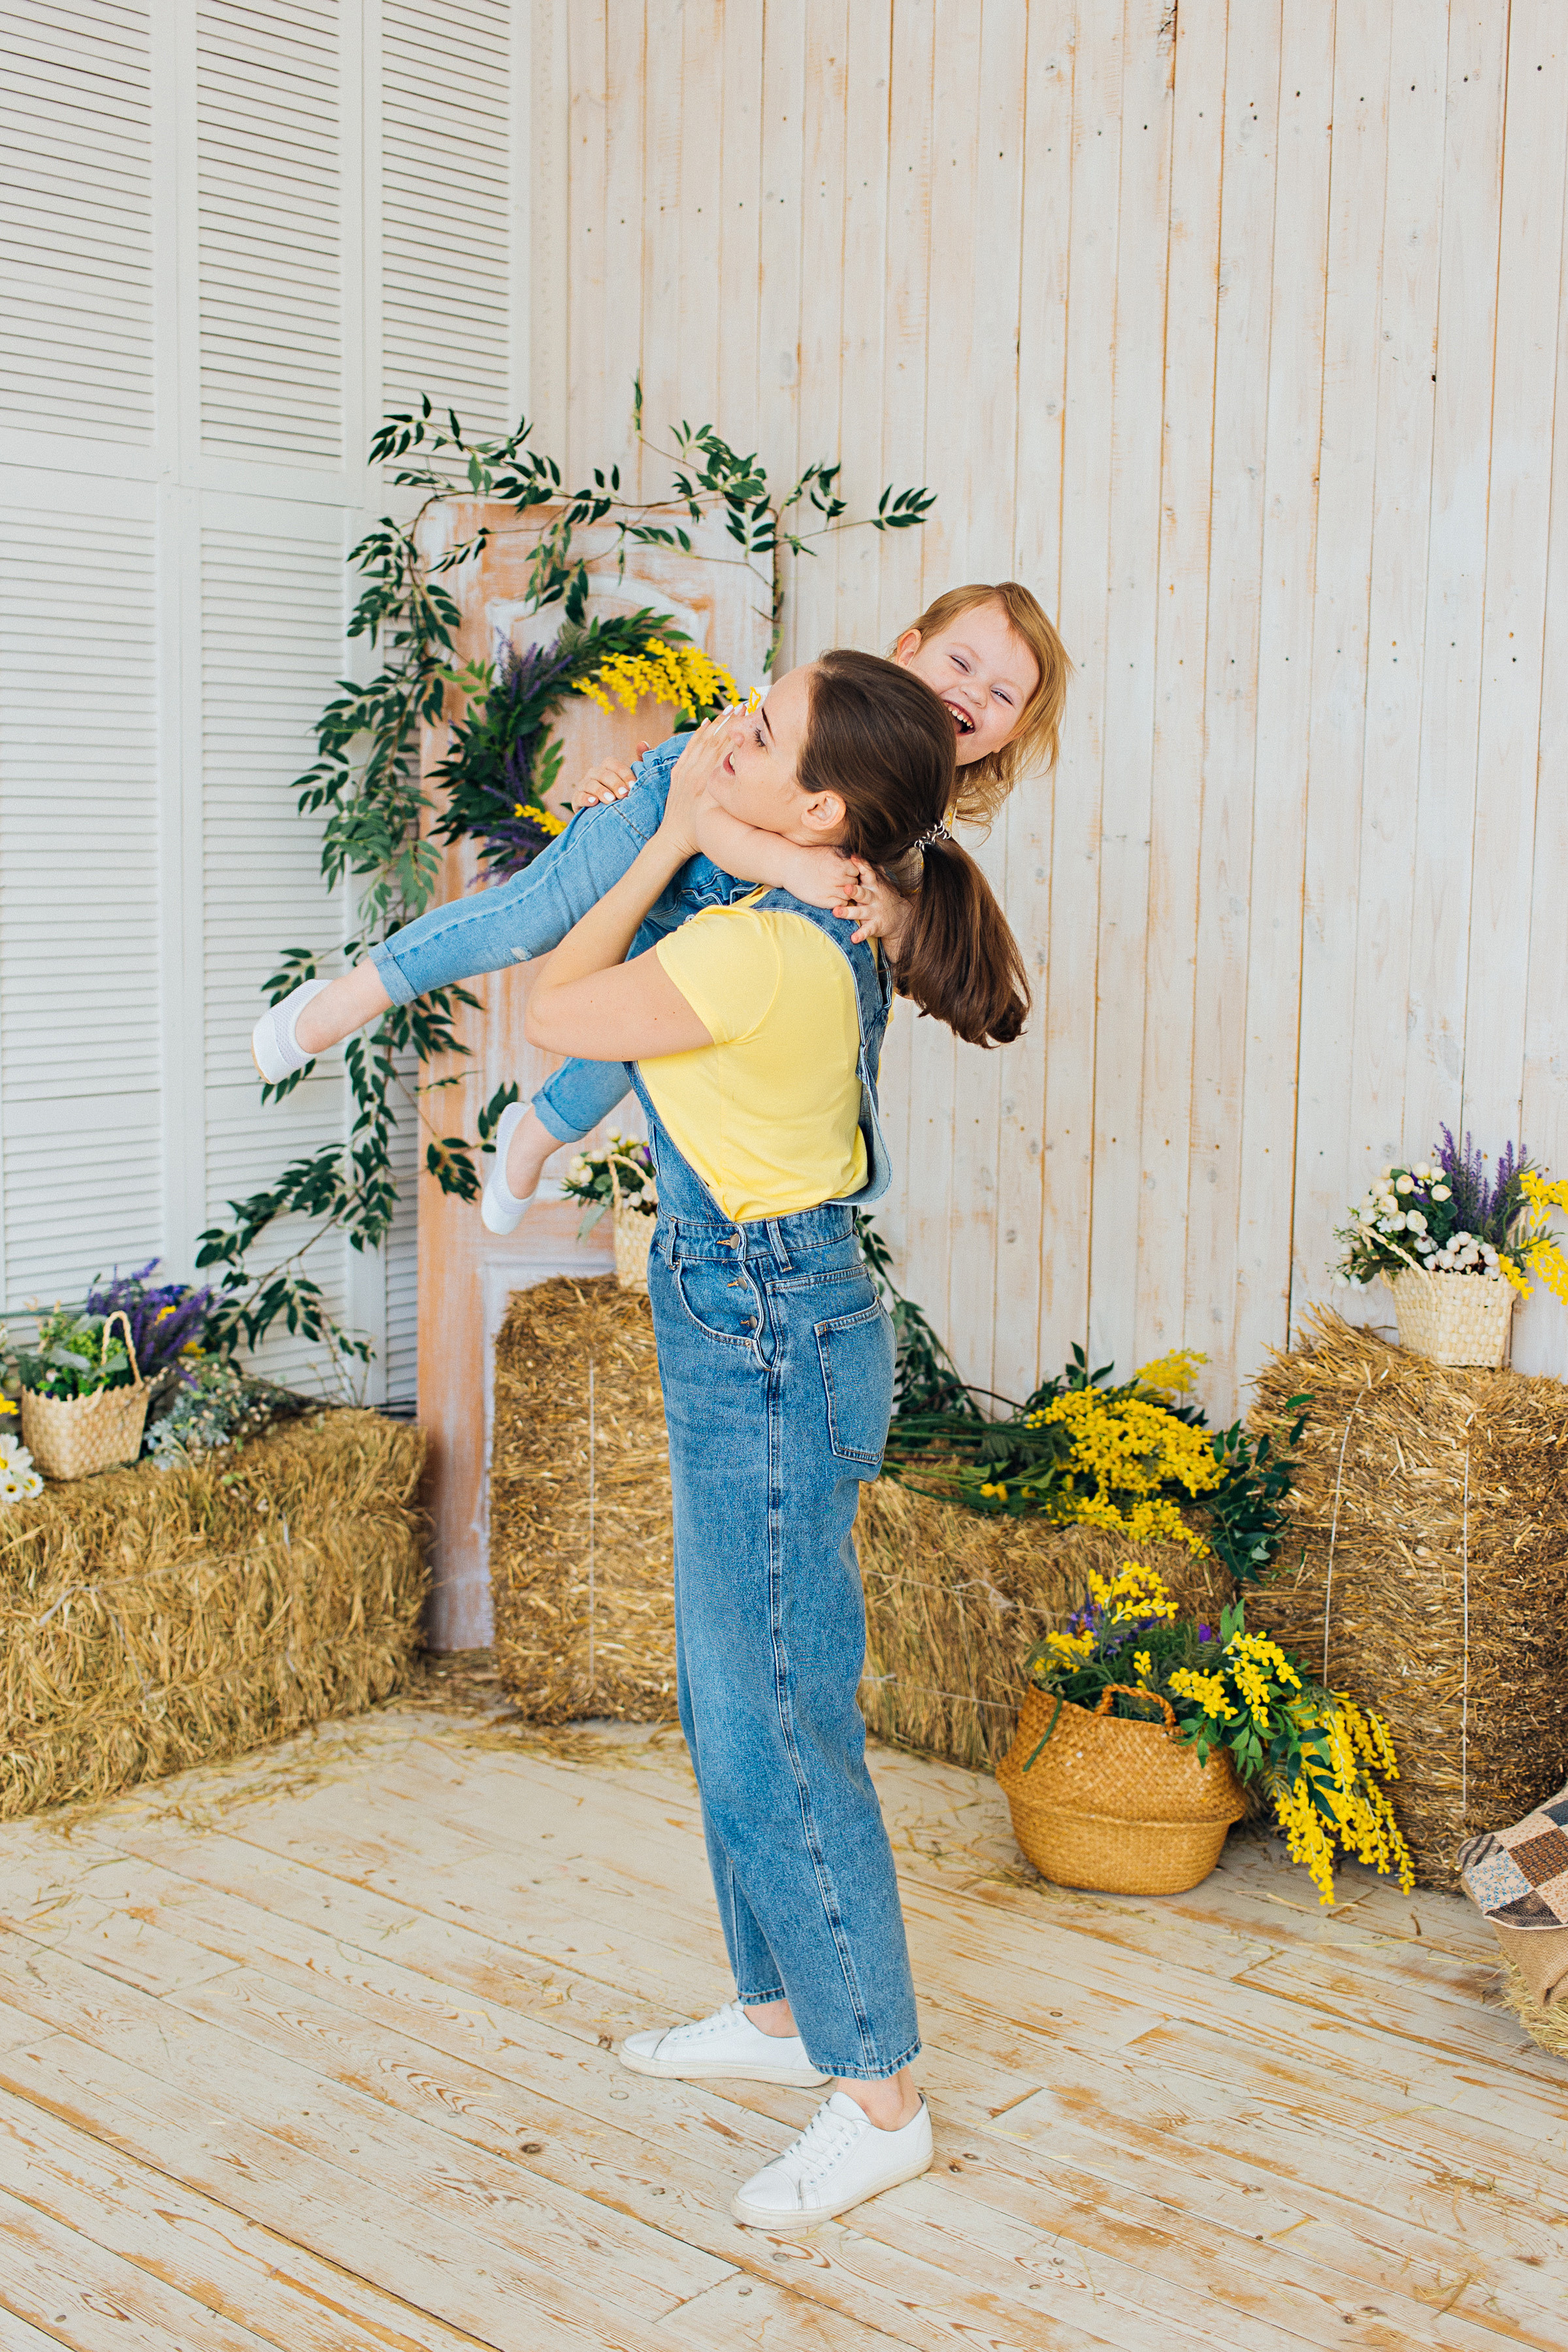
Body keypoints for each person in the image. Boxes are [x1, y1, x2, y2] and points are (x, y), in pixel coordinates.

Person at [518, 650, 1028, 2227]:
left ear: (817, 807)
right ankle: (773, 2011)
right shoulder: (810, 924)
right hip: (750, 1315)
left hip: (764, 1335)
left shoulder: (752, 953)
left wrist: (667, 832)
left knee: (777, 1715)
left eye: (753, 733)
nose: (718, 734)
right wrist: (689, 826)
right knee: (723, 1686)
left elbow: (551, 998)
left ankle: (874, 2096)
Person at [249, 583, 1068, 1227]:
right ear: (909, 651)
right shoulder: (813, 724)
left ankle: (535, 1134)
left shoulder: (917, 836)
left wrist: (894, 917)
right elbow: (708, 806)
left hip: (715, 894)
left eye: (1003, 695)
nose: (973, 693)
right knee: (529, 920)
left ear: (1011, 734)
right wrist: (784, 857)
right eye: (961, 664)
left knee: (639, 1041)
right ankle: (343, 1000)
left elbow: (912, 931)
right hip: (677, 807)